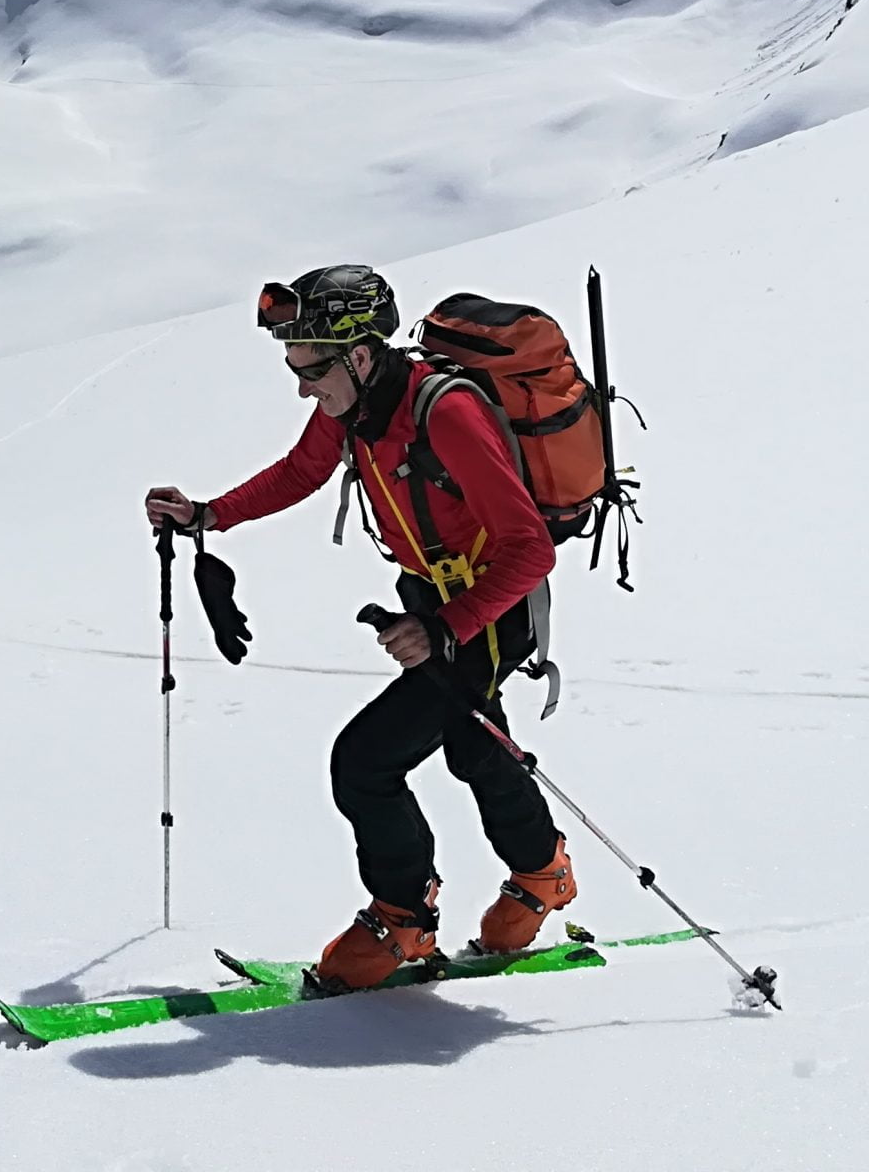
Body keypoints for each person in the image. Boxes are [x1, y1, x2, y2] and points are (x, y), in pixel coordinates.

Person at [143, 265, 573, 991]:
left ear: (362, 355)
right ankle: (542, 874)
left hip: (489, 611)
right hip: (433, 604)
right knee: (474, 747)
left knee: (366, 761)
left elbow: (530, 548)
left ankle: (403, 917)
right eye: (295, 368)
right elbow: (301, 471)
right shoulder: (358, 406)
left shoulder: (446, 414)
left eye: (311, 370)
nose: (304, 388)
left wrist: (445, 629)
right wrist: (209, 514)